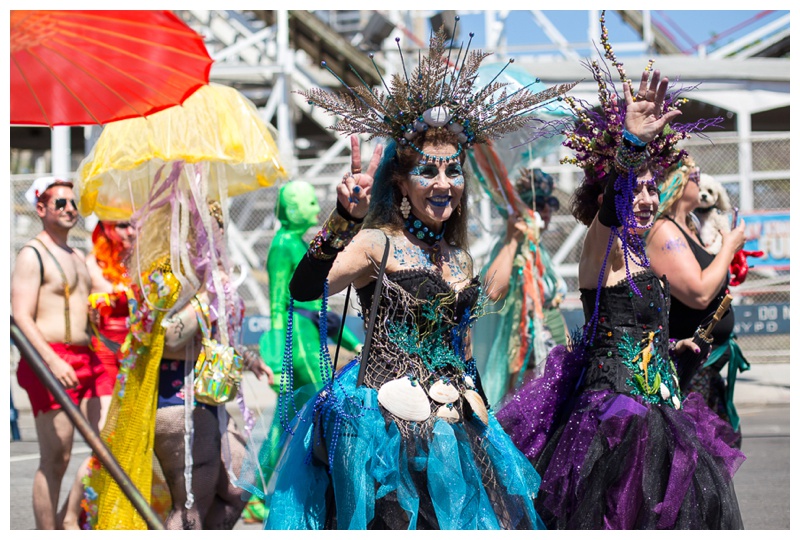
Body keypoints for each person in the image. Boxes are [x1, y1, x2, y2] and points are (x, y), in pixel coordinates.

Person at [238, 25, 577, 530]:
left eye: (453, 171)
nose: (444, 184)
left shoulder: (458, 258)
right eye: (429, 172)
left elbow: (462, 347)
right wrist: (342, 219)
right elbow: (305, 289)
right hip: (382, 432)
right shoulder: (380, 243)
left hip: (453, 428)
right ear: (400, 181)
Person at [496, 14, 745, 529]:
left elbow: (641, 324)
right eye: (640, 188)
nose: (648, 199)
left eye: (656, 188)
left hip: (659, 411)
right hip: (611, 423)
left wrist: (668, 346)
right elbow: (614, 205)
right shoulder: (600, 249)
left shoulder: (644, 253)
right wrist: (629, 149)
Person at [82, 179, 273, 529]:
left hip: (211, 400)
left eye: (218, 228)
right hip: (176, 400)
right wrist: (206, 296)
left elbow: (219, 335)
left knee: (237, 489)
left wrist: (248, 358)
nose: (215, 237)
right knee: (189, 510)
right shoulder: (168, 275)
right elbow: (168, 337)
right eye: (206, 229)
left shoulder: (212, 273)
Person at [244, 180, 362, 523]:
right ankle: (329, 486)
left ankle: (255, 492)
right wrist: (276, 348)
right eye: (310, 202)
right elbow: (279, 298)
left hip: (307, 332)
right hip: (298, 340)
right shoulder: (283, 245)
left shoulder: (294, 242)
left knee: (286, 421)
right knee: (329, 405)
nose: (315, 207)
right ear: (294, 208)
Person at [11, 177, 114, 529]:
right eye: (60, 203)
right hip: (51, 359)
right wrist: (52, 361)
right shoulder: (32, 254)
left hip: (90, 357)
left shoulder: (76, 255)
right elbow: (20, 315)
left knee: (107, 446)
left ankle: (68, 517)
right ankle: (48, 531)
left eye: (73, 203)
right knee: (57, 456)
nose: (70, 209)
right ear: (41, 209)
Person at [645, 156, 748, 445]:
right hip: (688, 367)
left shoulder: (689, 225)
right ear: (676, 181)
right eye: (694, 174)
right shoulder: (663, 229)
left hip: (707, 366)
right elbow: (699, 293)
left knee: (719, 452)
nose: (699, 179)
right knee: (696, 460)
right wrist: (728, 247)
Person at [480, 169, 569, 405]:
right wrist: (513, 239)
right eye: (538, 204)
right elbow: (491, 290)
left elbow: (552, 308)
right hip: (528, 360)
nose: (547, 210)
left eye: (551, 203)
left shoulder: (541, 252)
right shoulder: (511, 245)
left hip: (555, 354)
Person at [86, 220, 137, 383]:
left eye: (134, 225)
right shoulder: (92, 265)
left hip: (137, 352)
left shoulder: (142, 264)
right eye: (122, 226)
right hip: (104, 352)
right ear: (107, 229)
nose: (130, 232)